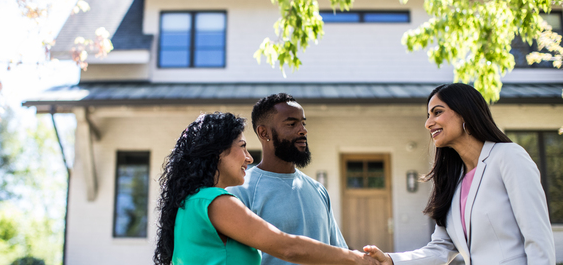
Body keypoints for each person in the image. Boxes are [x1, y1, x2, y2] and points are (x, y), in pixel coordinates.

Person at [363, 83, 555, 265]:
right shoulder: (453, 182)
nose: (428, 123)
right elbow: (441, 249)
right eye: (428, 115)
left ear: (465, 113)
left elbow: (537, 234)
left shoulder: (508, 156)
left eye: (437, 112)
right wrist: (391, 260)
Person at [153, 112, 377, 265]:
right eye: (242, 147)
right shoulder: (217, 202)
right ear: (217, 153)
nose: (249, 158)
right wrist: (356, 258)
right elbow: (287, 247)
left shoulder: (190, 203)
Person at [228, 93, 348, 265]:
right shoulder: (240, 190)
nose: (303, 130)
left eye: (303, 123)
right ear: (264, 133)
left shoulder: (318, 190)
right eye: (292, 124)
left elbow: (339, 253)